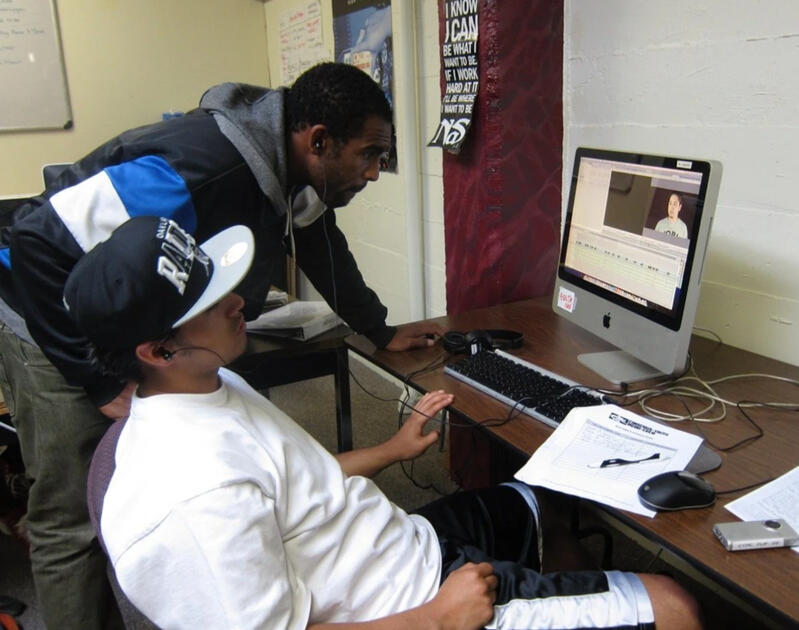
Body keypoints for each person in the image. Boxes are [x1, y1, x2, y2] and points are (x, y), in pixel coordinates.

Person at [71, 216, 704, 630]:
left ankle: (559, 600)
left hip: (399, 542)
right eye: (210, 303)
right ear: (156, 351)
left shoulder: (206, 382)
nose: (239, 299)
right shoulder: (191, 499)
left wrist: (394, 449)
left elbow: (297, 485)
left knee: (545, 502)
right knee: (673, 606)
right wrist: (438, 616)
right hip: (410, 602)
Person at [0, 62, 442, 630]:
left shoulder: (297, 168)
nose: (375, 173)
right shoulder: (197, 168)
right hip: (45, 312)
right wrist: (99, 381)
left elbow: (316, 239)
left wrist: (379, 329)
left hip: (135, 325)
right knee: (73, 516)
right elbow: (35, 241)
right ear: (319, 142)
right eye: (369, 156)